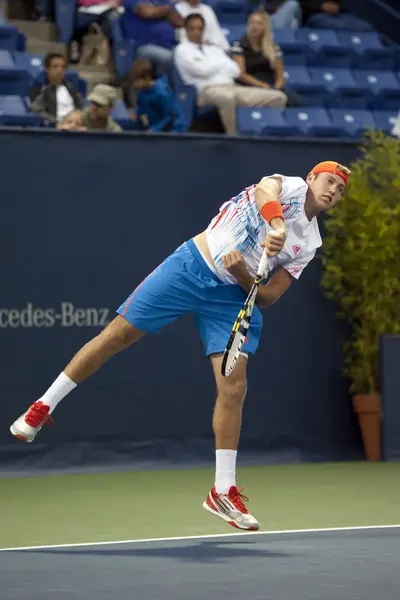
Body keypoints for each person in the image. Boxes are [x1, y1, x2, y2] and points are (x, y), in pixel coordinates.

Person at [10, 160, 350, 531]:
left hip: (232, 296)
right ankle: (43, 406)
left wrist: (241, 272)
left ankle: (223, 490)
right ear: (313, 178)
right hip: (192, 266)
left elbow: (267, 296)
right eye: (329, 180)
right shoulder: (288, 186)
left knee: (234, 386)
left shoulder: (311, 242)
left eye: (340, 189)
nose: (333, 190)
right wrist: (277, 224)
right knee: (116, 335)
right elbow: (263, 192)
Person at [174, 14, 287, 135]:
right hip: (205, 91)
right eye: (192, 29)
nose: (196, 32)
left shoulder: (213, 48)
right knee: (226, 97)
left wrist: (211, 65)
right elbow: (201, 70)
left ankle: (265, 135)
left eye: (199, 29)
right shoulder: (182, 50)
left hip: (232, 87)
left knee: (278, 97)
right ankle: (233, 137)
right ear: (185, 30)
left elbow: (235, 70)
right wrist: (221, 65)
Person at [231, 11, 304, 108]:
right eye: (252, 22)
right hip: (249, 86)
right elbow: (241, 75)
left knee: (298, 103)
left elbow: (280, 77)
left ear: (265, 27)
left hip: (272, 86)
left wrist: (276, 88)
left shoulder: (274, 48)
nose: (254, 26)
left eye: (259, 23)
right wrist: (263, 86)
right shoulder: (239, 45)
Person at [121, 0, 184, 77]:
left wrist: (159, 11)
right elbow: (147, 12)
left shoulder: (165, 2)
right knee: (171, 58)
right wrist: (168, 11)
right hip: (144, 46)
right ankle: (158, 82)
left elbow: (180, 22)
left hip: (170, 45)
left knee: (187, 55)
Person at [128, 58, 187, 132]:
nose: (134, 85)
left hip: (174, 129)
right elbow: (141, 108)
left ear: (147, 78)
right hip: (155, 126)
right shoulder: (140, 92)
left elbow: (169, 118)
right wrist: (136, 114)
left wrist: (154, 130)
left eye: (137, 81)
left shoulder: (163, 93)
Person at [30, 52, 83, 126]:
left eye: (63, 67)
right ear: (47, 69)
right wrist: (55, 121)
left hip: (75, 125)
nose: (60, 70)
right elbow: (36, 109)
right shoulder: (42, 90)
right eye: (55, 67)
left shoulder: (70, 88)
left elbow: (80, 106)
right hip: (57, 128)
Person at [300, 0, 373, 32]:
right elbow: (294, 4)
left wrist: (336, 6)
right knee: (337, 26)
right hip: (313, 14)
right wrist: (320, 6)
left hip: (338, 14)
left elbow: (338, 4)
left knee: (365, 27)